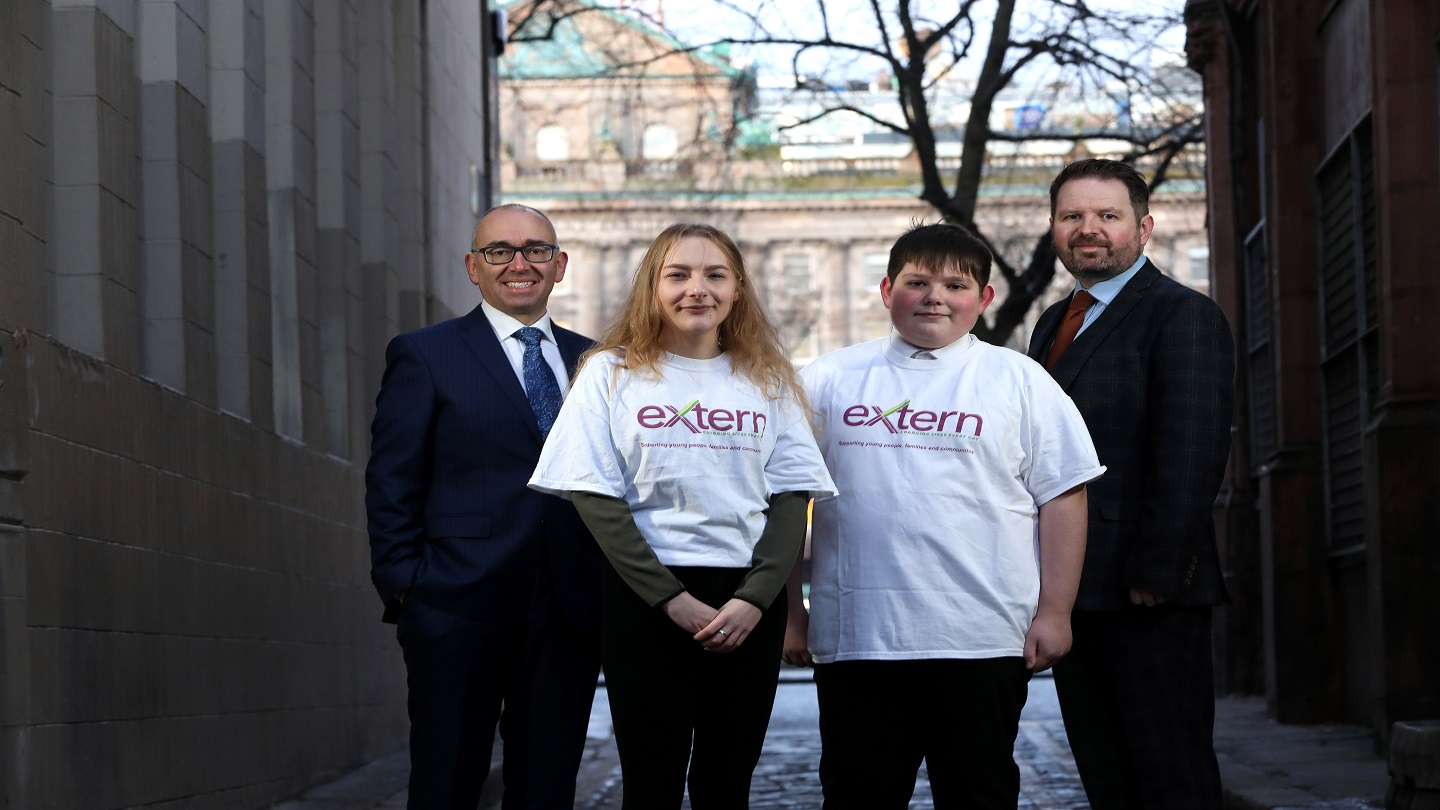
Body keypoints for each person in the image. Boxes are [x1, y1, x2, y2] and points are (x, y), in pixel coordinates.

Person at [785, 222, 1103, 809]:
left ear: (983, 300)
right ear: (886, 291)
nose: (935, 296)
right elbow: (783, 501)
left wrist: (1056, 612)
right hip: (859, 640)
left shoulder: (1020, 380)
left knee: (978, 794)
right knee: (858, 796)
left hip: (982, 639)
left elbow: (1064, 496)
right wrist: (792, 617)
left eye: (956, 285)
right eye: (917, 282)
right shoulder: (827, 380)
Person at [528, 222, 836, 809]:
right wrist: (669, 598)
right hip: (646, 600)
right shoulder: (609, 374)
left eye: (715, 274)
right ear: (652, 288)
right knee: (652, 782)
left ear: (738, 290)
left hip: (748, 602)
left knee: (727, 782)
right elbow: (595, 495)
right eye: (678, 274)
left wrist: (755, 599)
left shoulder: (767, 380)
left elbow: (794, 496)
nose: (698, 288)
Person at [365, 204, 603, 810]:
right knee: (447, 783)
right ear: (474, 267)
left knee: (548, 788)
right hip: (455, 606)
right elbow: (393, 481)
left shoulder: (600, 364)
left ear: (560, 265)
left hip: (568, 613)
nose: (518, 264)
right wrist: (407, 589)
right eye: (499, 251)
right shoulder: (425, 355)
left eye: (536, 250)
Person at [1026, 158, 1236, 809]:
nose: (1089, 230)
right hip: (1072, 590)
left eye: (1107, 216)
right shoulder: (1054, 321)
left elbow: (1192, 450)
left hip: (1147, 593)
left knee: (1169, 774)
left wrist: (1160, 571)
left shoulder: (1182, 315)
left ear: (1143, 228)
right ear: (1056, 228)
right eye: (1073, 217)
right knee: (1106, 772)